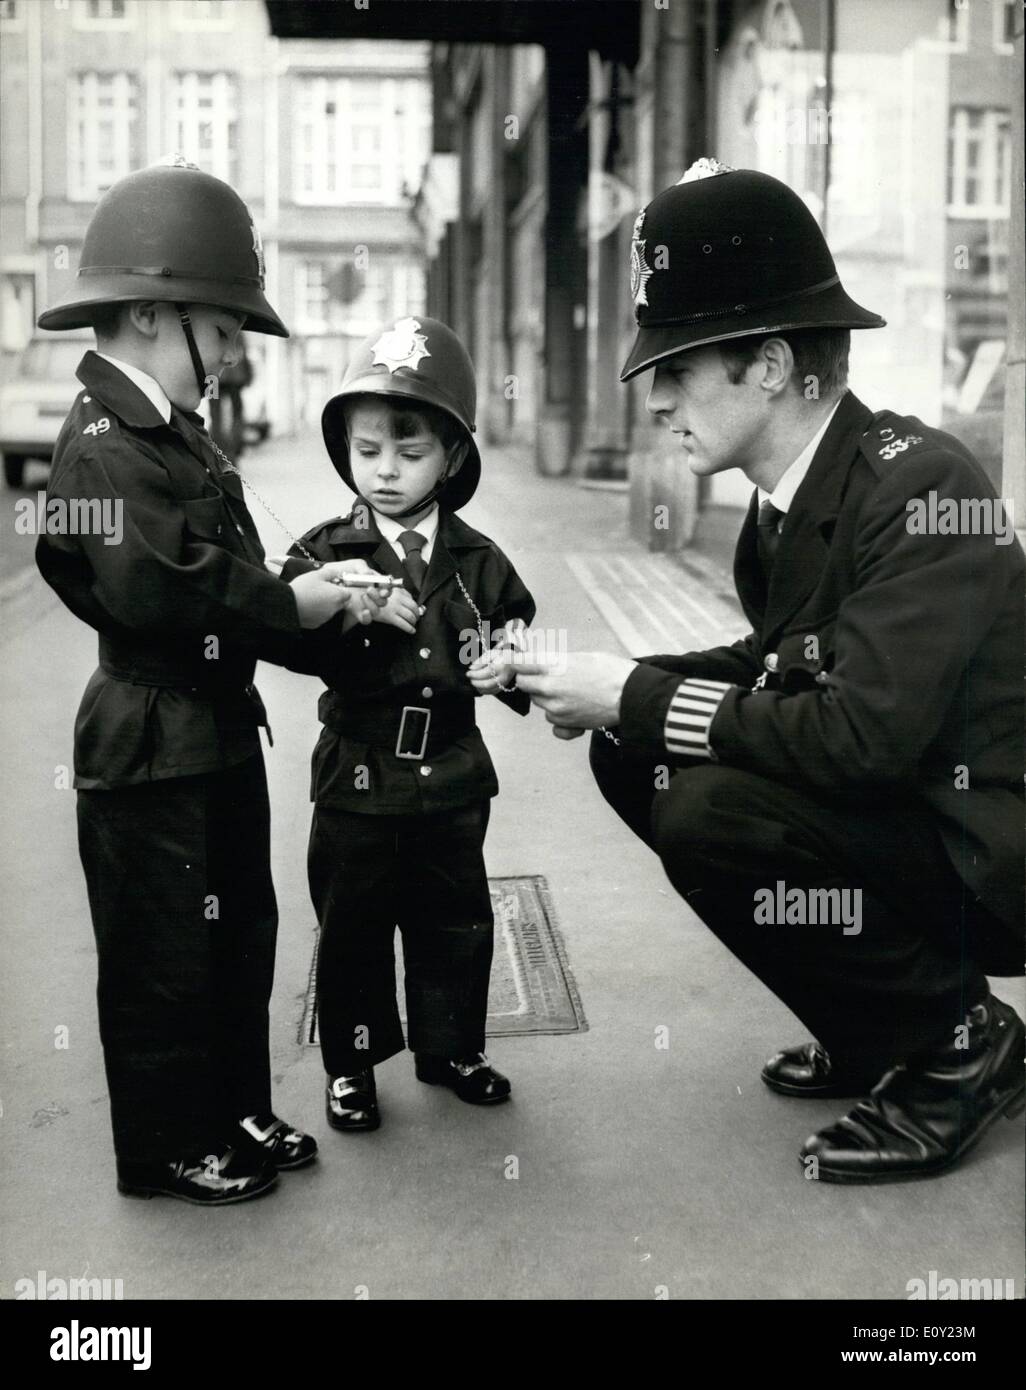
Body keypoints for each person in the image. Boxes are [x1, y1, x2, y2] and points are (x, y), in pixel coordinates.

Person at [508, 160, 1025, 1184]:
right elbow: (770, 664)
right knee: (634, 748)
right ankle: (877, 1021)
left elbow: (859, 733)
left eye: (680, 368)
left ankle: (962, 1043)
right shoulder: (784, 502)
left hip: (986, 846)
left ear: (776, 364)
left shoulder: (921, 484)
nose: (655, 400)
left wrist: (636, 692)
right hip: (908, 819)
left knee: (709, 811)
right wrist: (608, 682)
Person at [35, 157, 386, 1205]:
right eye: (225, 328)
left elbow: (213, 573)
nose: (234, 354)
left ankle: (231, 1103)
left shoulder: (167, 432)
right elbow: (163, 590)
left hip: (210, 724)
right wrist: (296, 606)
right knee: (164, 957)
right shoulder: (103, 446)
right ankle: (167, 1143)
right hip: (150, 734)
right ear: (151, 313)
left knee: (237, 936)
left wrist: (301, 587)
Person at [281, 315, 536, 1133]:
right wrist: (342, 612)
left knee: (455, 916)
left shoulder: (480, 559)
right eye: (367, 451)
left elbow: (513, 631)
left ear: (452, 457)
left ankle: (451, 1046)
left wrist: (508, 664)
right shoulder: (325, 554)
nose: (386, 472)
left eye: (410, 450)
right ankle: (352, 1066)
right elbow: (282, 637)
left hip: (454, 774)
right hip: (356, 774)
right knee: (353, 922)